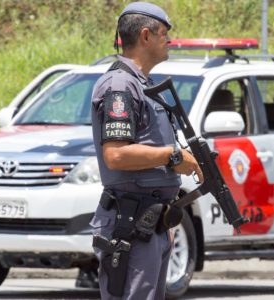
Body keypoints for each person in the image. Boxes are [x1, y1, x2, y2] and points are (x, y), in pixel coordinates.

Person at [90, 2, 203, 299]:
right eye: (164, 33)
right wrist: (172, 155)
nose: (169, 41)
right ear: (145, 36)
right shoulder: (121, 86)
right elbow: (116, 155)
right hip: (130, 224)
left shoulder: (142, 84)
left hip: (152, 222)